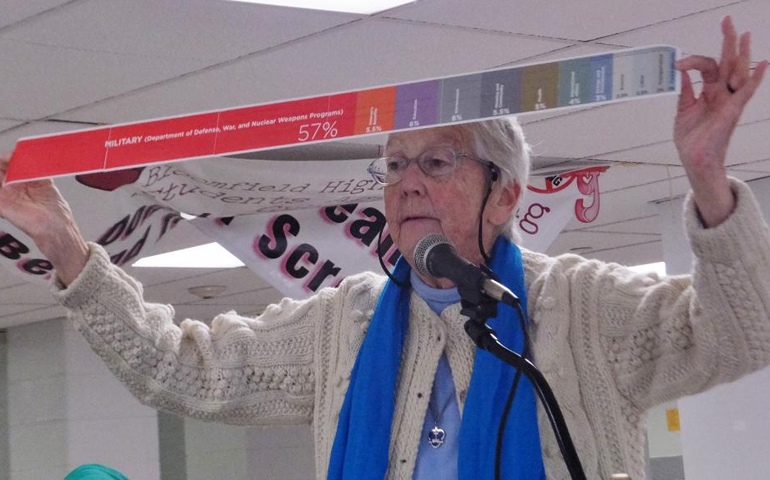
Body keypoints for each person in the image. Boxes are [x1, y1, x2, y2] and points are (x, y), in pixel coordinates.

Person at [1, 16, 769, 480]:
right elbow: (180, 371)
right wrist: (69, 248)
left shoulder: (584, 306)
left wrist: (705, 180)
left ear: (506, 194)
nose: (404, 185)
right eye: (395, 165)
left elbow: (746, 331)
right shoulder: (346, 324)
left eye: (436, 164)